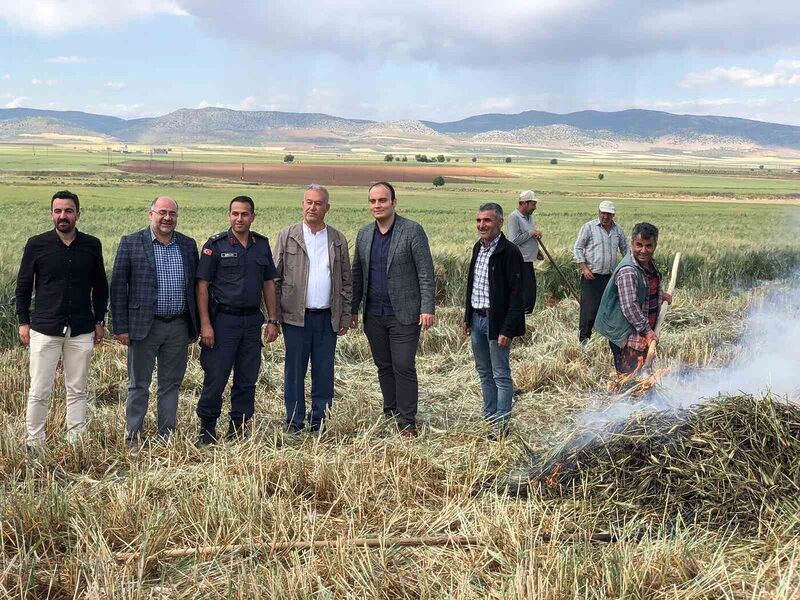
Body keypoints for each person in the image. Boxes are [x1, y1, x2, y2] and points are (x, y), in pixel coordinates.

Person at [15, 190, 108, 446]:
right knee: (39, 389)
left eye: (68, 211)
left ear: (78, 214)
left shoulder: (92, 245)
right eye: (58, 211)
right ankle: (35, 442)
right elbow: (23, 286)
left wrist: (100, 321)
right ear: (51, 214)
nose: (63, 216)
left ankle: (75, 441)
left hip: (81, 328)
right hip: (45, 328)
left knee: (77, 390)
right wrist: (24, 321)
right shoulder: (37, 244)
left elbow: (100, 286)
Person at [111, 196, 199, 449]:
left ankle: (166, 436)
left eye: (172, 213)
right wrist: (121, 327)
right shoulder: (131, 243)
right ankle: (133, 437)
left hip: (178, 327)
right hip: (143, 327)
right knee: (139, 384)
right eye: (162, 212)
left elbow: (195, 287)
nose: (167, 218)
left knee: (170, 384)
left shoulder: (187, 244)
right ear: (151, 214)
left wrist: (194, 325)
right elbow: (118, 287)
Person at [350, 182, 435, 437]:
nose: (377, 205)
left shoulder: (412, 231)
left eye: (382, 200)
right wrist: (353, 309)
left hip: (404, 313)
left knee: (403, 365)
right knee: (384, 366)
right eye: (373, 201)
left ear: (393, 202)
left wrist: (427, 307)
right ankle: (391, 412)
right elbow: (357, 274)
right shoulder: (364, 234)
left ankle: (408, 421)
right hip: (374, 314)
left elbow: (425, 272)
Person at [195, 196, 280, 445]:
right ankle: (207, 429)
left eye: (244, 214)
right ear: (229, 215)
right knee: (216, 376)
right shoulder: (216, 245)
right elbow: (202, 286)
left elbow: (268, 283)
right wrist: (205, 324)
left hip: (252, 322)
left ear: (253, 216)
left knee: (247, 378)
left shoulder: (261, 245)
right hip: (223, 322)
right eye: (235, 214)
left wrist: (273, 320)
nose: (239, 219)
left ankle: (238, 429)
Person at [274, 184, 352, 434]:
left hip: (327, 317)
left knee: (324, 371)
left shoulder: (337, 239)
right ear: (302, 204)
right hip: (296, 317)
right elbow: (274, 278)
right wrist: (273, 318)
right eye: (308, 202)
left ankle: (320, 421)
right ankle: (294, 421)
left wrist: (346, 314)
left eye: (318, 203)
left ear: (327, 208)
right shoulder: (288, 235)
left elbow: (346, 280)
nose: (312, 207)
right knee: (294, 372)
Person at [463, 202, 525, 439]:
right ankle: (488, 418)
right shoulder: (478, 249)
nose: (482, 225)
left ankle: (501, 426)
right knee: (483, 371)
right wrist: (467, 318)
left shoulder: (509, 253)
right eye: (479, 220)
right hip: (478, 318)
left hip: (496, 322)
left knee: (500, 374)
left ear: (500, 222)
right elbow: (473, 286)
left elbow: (516, 295)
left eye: (487, 220)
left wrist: (507, 328)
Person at [595, 222, 672, 374]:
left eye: (649, 246)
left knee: (644, 376)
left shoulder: (648, 264)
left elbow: (645, 285)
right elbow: (630, 306)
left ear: (655, 245)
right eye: (639, 245)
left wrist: (660, 294)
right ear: (632, 244)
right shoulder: (628, 271)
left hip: (642, 333)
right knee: (631, 380)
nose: (643, 250)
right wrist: (648, 331)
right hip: (629, 337)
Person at [573, 200, 628, 343]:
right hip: (591, 276)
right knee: (589, 310)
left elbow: (626, 251)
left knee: (608, 309)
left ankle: (604, 339)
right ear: (599, 212)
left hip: (610, 277)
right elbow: (578, 248)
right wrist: (584, 268)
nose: (605, 216)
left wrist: (626, 268)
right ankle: (584, 340)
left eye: (608, 214)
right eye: (603, 213)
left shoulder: (618, 231)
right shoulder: (589, 227)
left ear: (613, 215)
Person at [506, 190, 543, 314]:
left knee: (530, 292)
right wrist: (531, 233)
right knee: (527, 292)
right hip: (520, 260)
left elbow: (527, 238)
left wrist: (537, 250)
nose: (535, 207)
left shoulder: (529, 217)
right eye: (533, 204)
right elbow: (513, 240)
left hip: (528, 259)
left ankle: (527, 315)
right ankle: (524, 316)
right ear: (525, 203)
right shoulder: (514, 217)